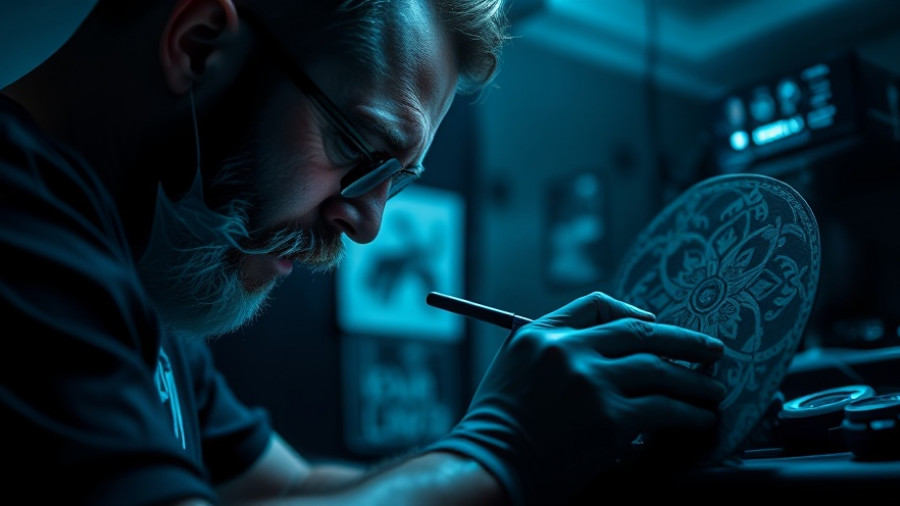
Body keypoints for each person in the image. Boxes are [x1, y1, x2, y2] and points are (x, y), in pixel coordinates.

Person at [0, 0, 728, 504]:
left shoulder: (131, 292)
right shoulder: (20, 218)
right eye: (356, 148)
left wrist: (549, 450)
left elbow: (288, 490)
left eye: (395, 183)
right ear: (198, 47)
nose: (366, 226)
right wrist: (502, 447)